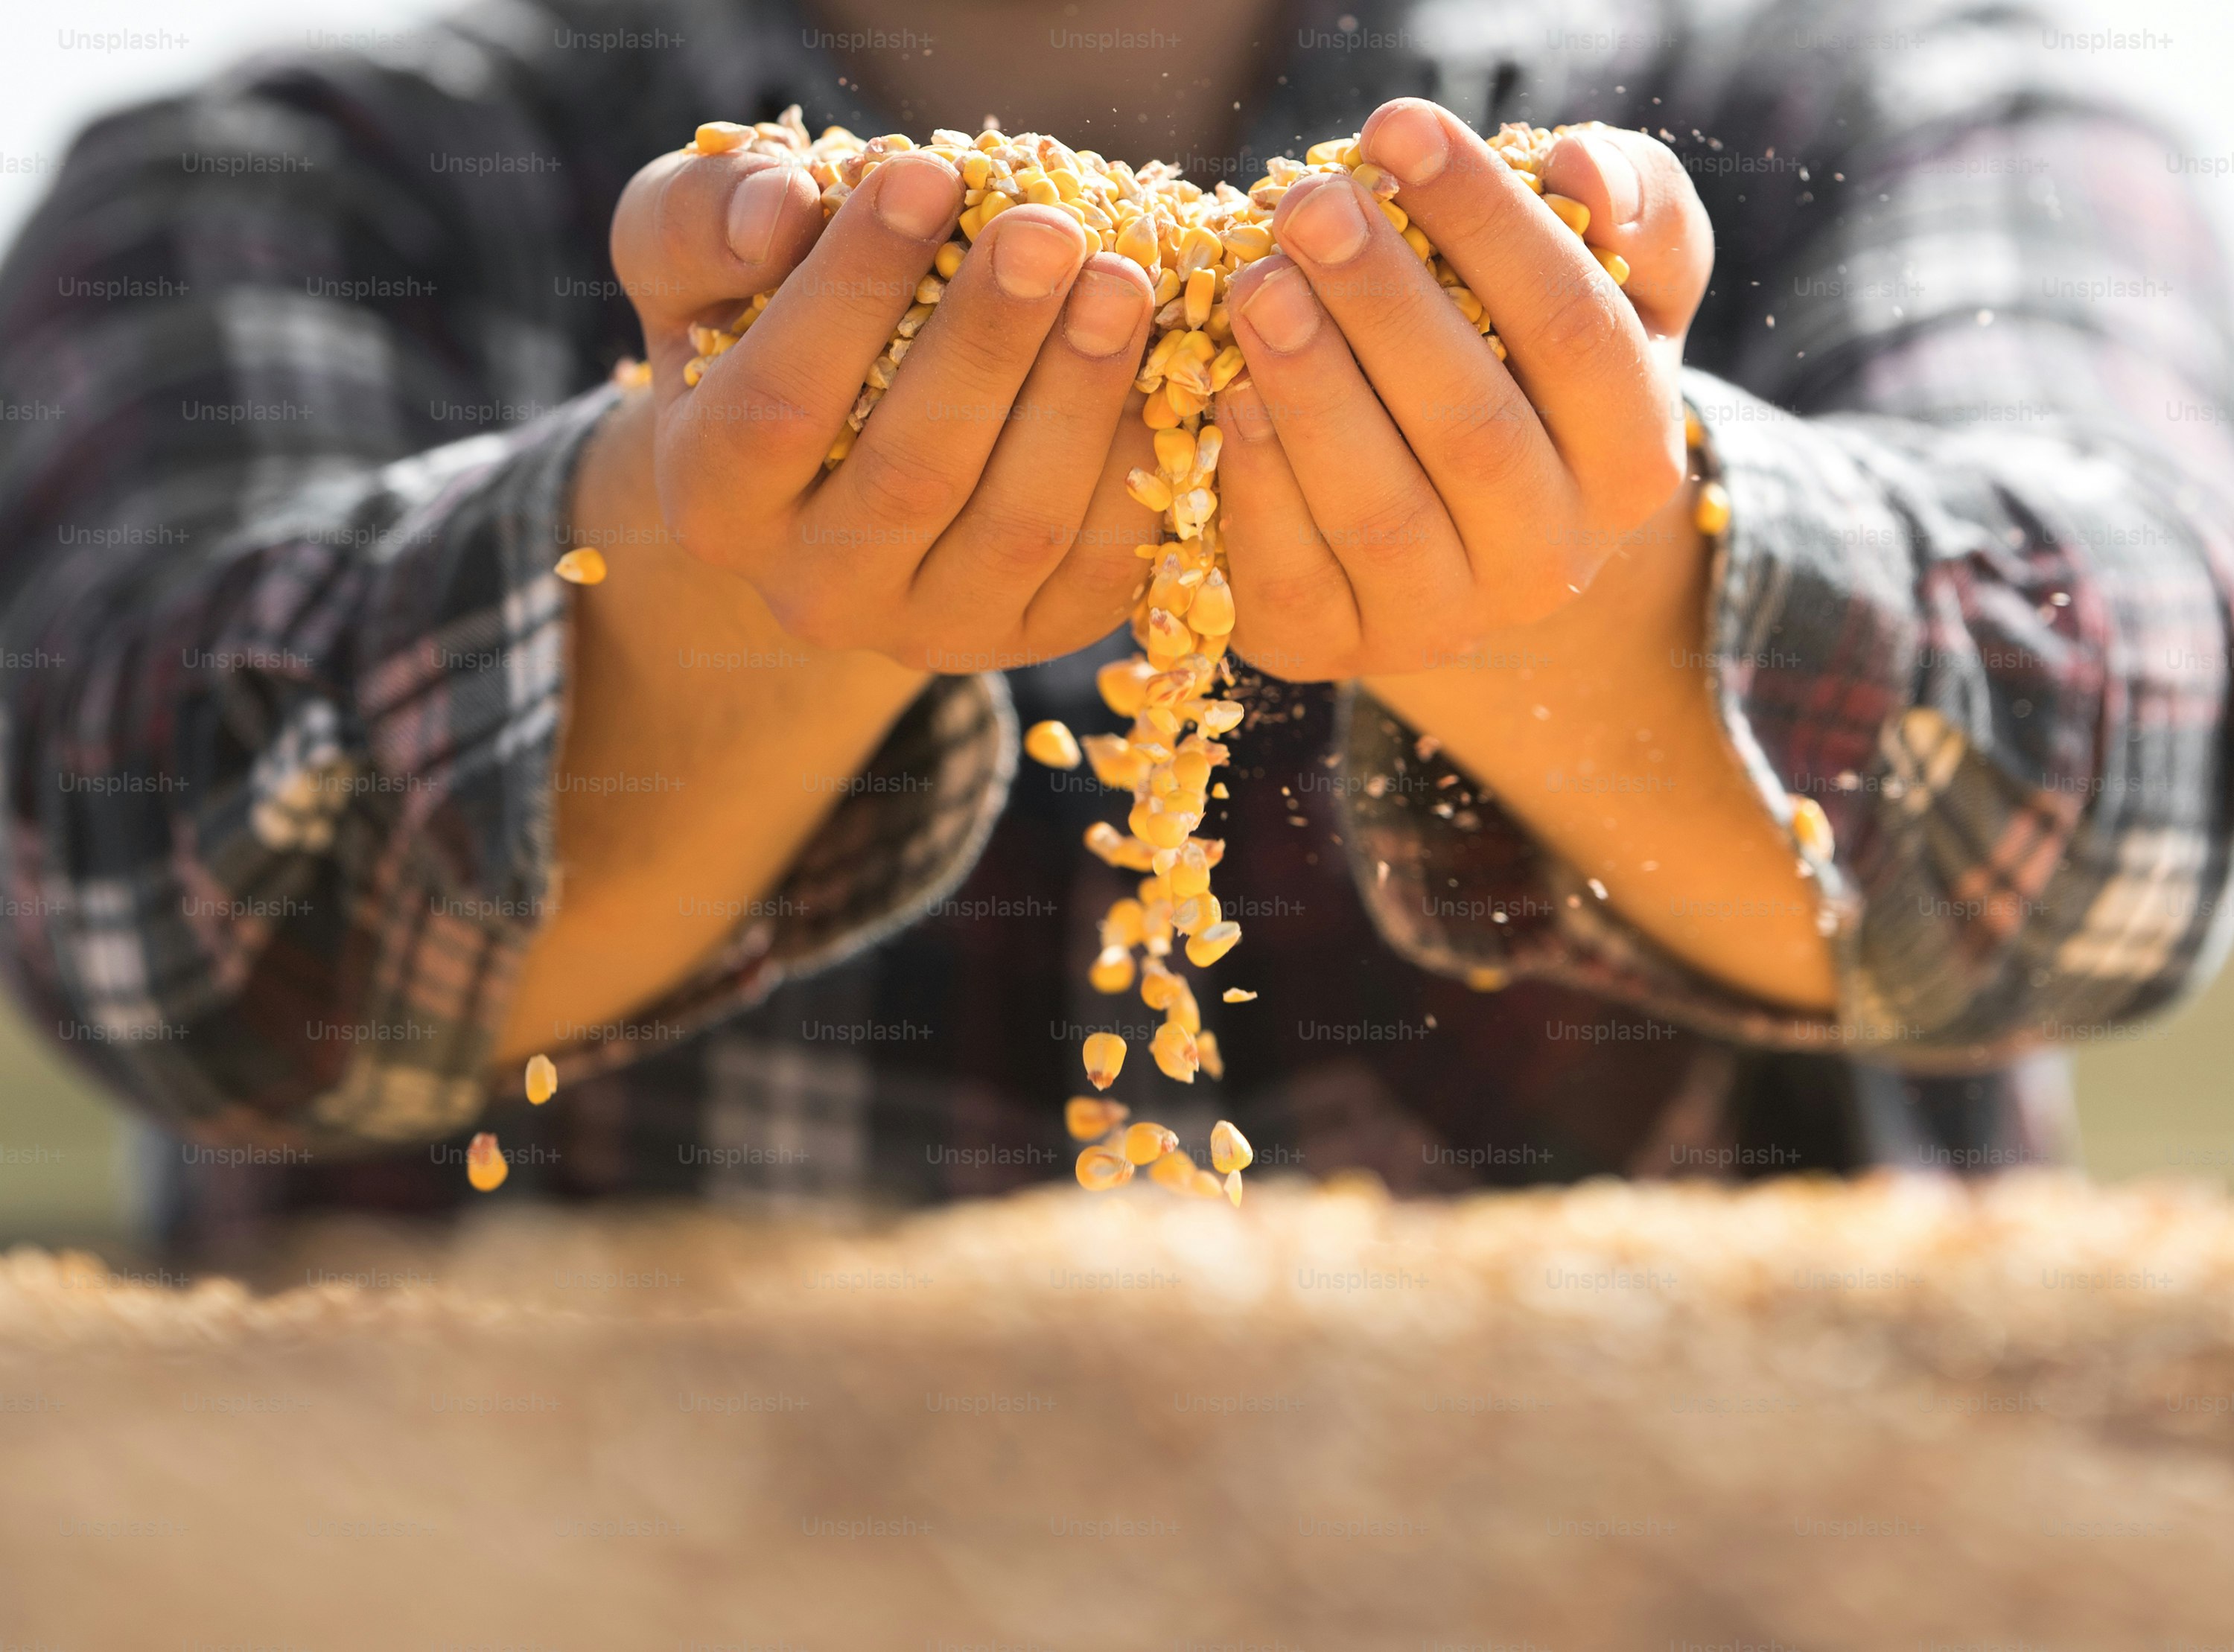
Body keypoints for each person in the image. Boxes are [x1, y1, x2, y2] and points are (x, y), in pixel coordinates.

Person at [0, 0, 2226, 1254]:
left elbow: (2127, 788)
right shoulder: (297, 193)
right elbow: (147, 904)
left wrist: (1611, 591)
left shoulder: (1880, 109)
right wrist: (698, 581)